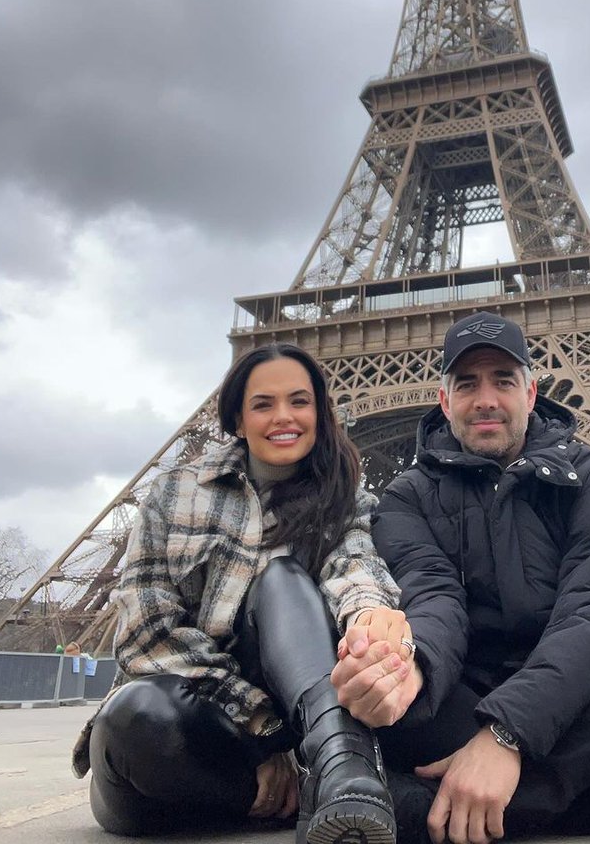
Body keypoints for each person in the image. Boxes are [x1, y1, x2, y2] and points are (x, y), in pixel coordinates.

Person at [331, 311, 590, 843]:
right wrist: (409, 667)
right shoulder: (406, 497)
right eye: (467, 384)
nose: (487, 399)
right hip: (464, 696)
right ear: (445, 400)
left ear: (531, 391)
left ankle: (442, 810)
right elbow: (434, 597)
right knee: (394, 693)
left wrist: (507, 735)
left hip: (581, 692)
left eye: (503, 380)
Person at [72, 342, 412, 844]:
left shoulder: (345, 501)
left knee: (282, 578)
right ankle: (311, 787)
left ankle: (340, 769)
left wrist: (370, 618)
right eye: (263, 404)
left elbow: (355, 568)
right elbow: (146, 633)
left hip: (301, 732)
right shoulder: (173, 492)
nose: (283, 417)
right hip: (186, 739)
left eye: (299, 401)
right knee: (136, 716)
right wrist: (263, 729)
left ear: (319, 412)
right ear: (236, 418)